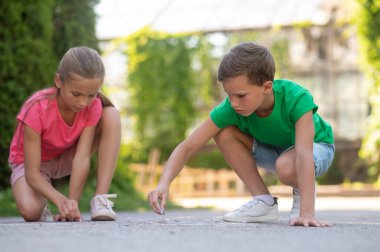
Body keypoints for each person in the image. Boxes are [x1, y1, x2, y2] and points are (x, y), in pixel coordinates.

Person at [148, 42, 335, 227]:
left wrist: (307, 213)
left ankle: (303, 191)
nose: (234, 103)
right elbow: (187, 146)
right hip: (276, 152)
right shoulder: (231, 108)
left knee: (286, 166)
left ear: (267, 87)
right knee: (224, 133)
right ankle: (264, 201)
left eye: (241, 95)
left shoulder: (296, 98)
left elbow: (303, 154)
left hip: (315, 149)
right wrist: (163, 183)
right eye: (229, 95)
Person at [8, 46, 121, 222]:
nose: (83, 102)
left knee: (112, 114)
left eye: (91, 95)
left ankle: (100, 199)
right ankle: (42, 201)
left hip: (67, 156)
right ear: (59, 81)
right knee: (30, 212)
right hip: (33, 165)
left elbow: (82, 158)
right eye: (76, 94)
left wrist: (71, 204)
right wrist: (60, 200)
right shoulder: (37, 108)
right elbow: (31, 173)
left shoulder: (94, 105)